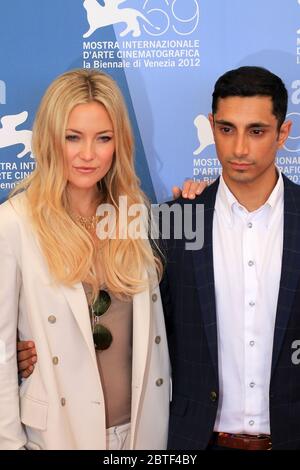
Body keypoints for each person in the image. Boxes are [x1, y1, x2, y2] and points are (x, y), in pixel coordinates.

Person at [0, 68, 174, 450]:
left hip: (141, 431)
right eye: (73, 137)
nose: (88, 154)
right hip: (57, 434)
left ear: (119, 144)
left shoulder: (134, 215)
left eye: (103, 138)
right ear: (49, 138)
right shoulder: (14, 223)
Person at [160, 66, 300, 450]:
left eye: (256, 131)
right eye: (226, 129)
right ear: (211, 127)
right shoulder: (174, 222)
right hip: (197, 442)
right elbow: (138, 331)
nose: (239, 148)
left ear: (282, 134)